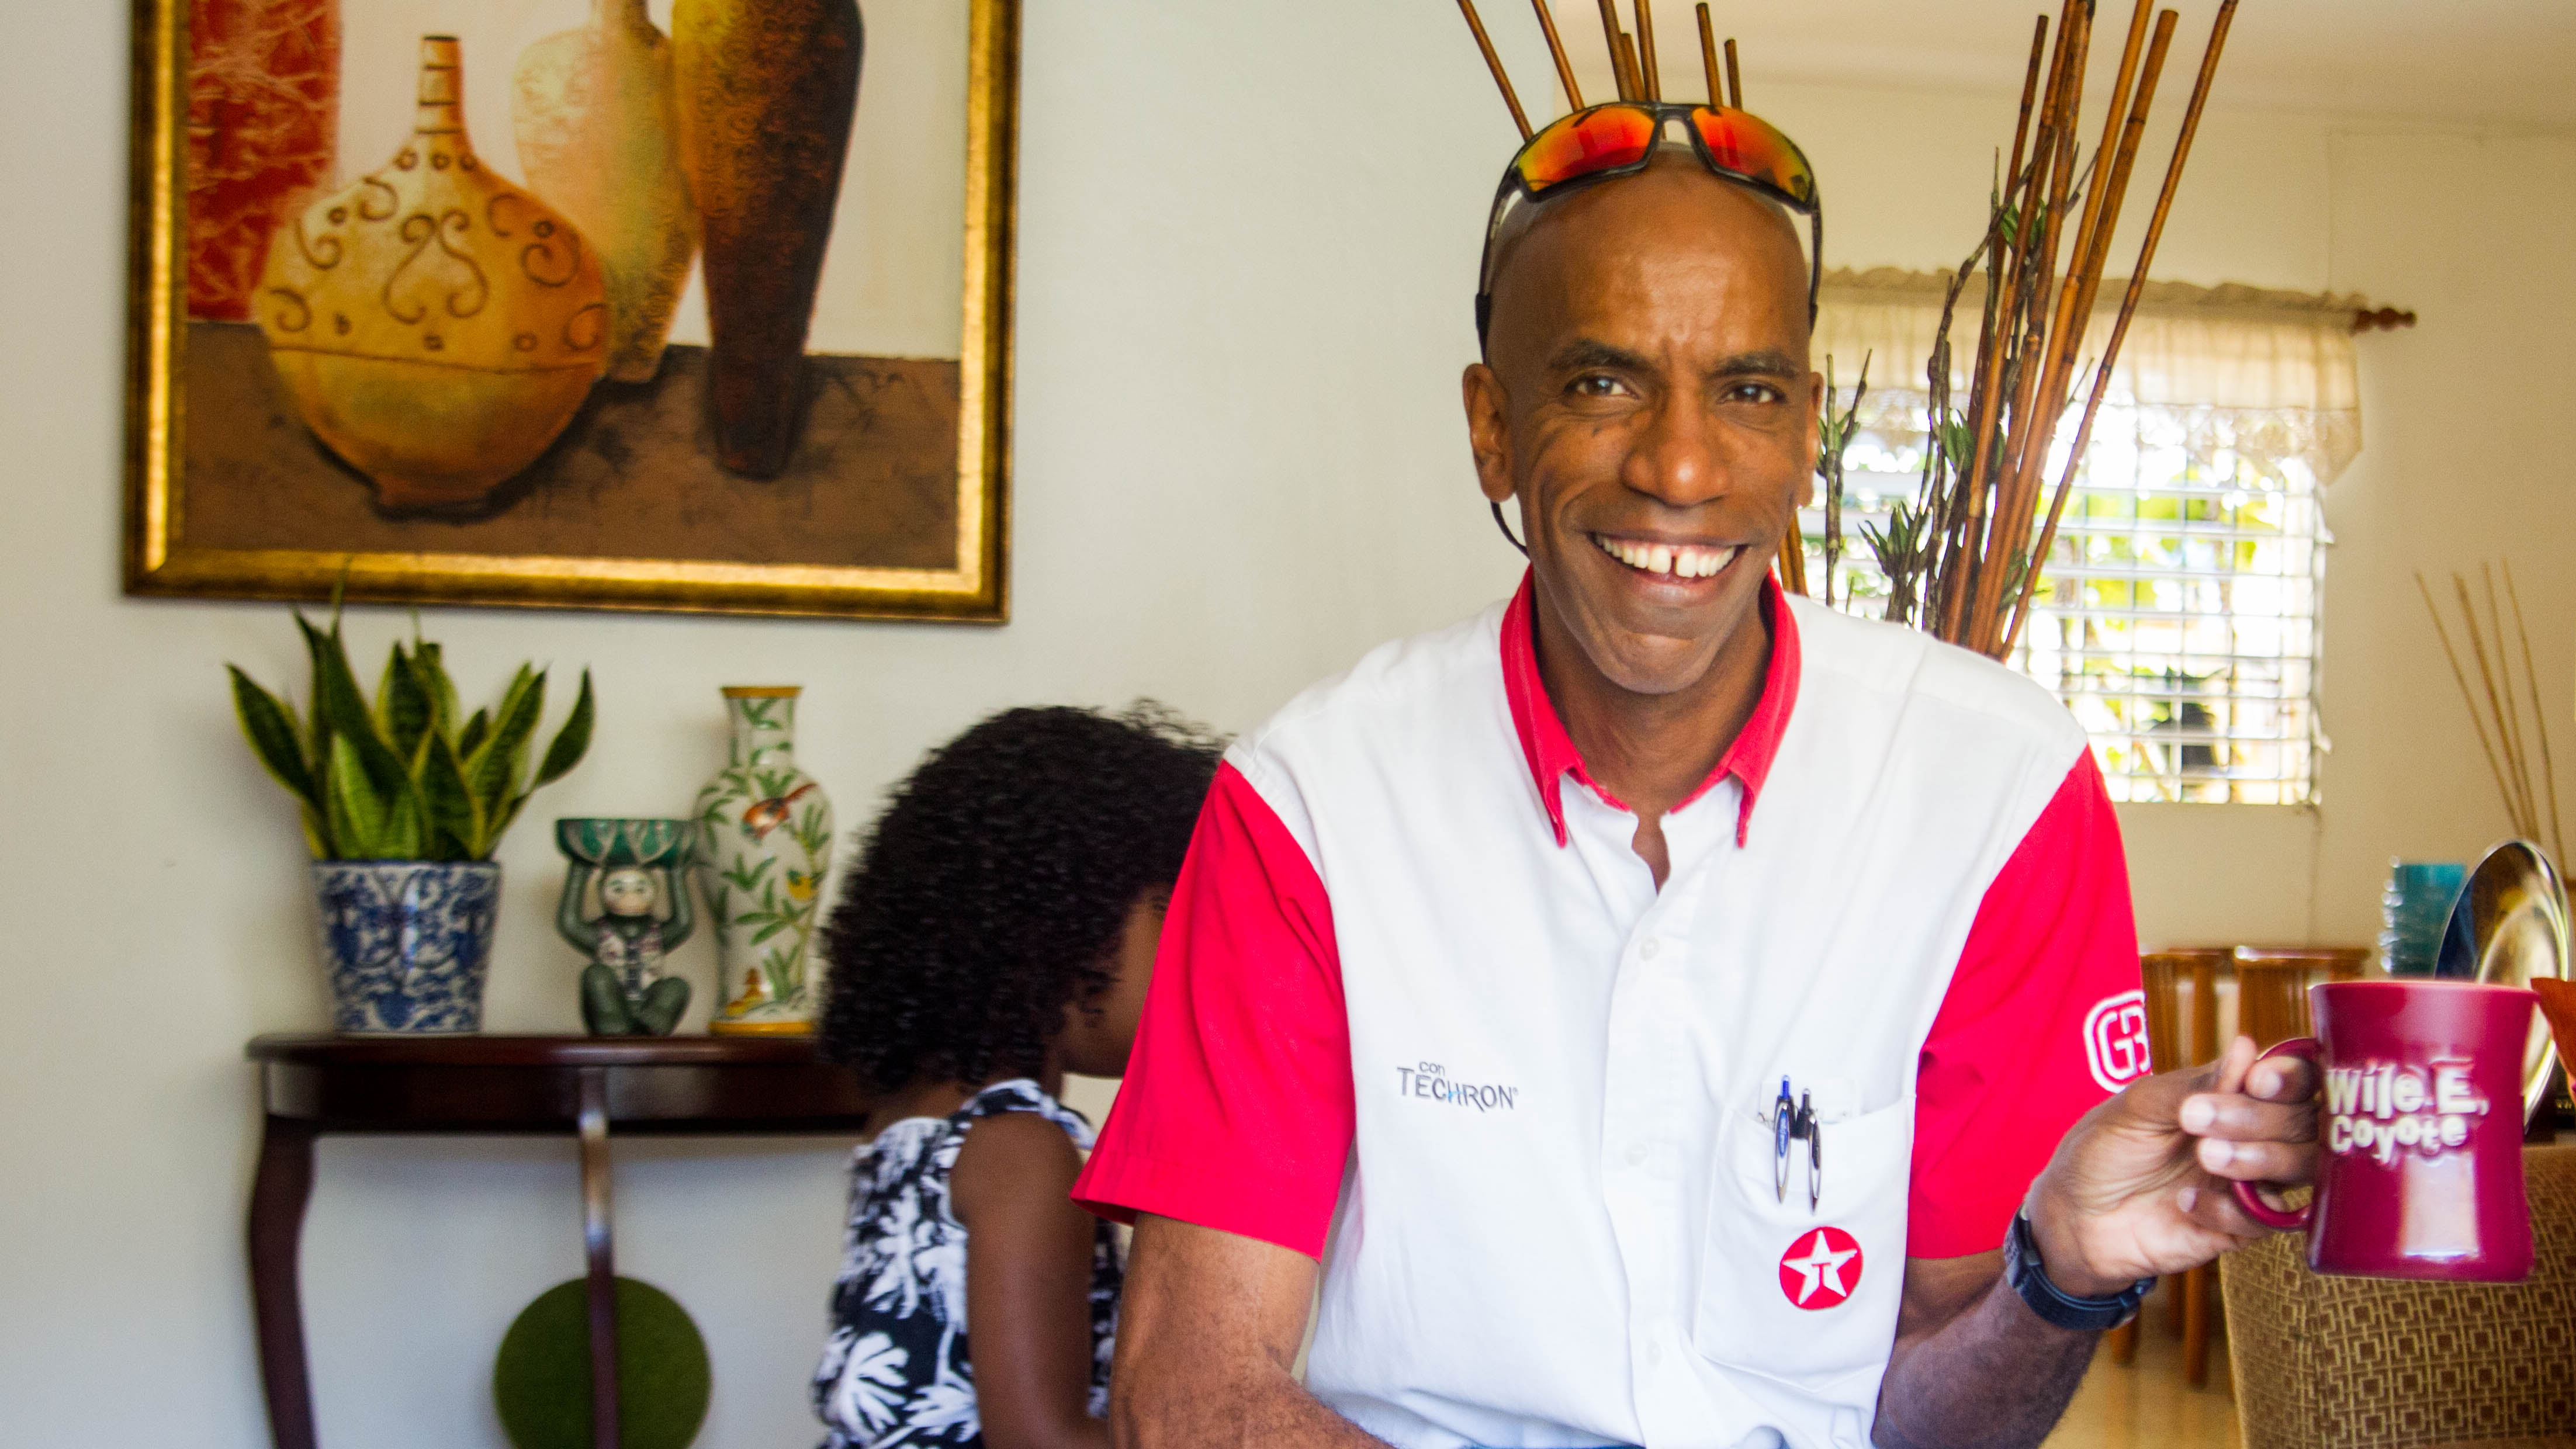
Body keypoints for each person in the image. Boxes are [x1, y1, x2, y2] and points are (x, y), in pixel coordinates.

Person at [1071, 103, 2319, 1449]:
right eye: (1600, 385)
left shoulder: (1997, 791)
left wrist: (2055, 1274)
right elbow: (1187, 1392)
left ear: (1807, 432)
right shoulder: (1310, 801)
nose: (1677, 466)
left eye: (1746, 392)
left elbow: (1931, 1427)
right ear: (1491, 427)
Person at [811, 705, 1223, 1449]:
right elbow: (1041, 1439)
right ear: (1065, 924)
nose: (1198, 964)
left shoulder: (911, 1123)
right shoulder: (1024, 1151)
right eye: (1173, 919)